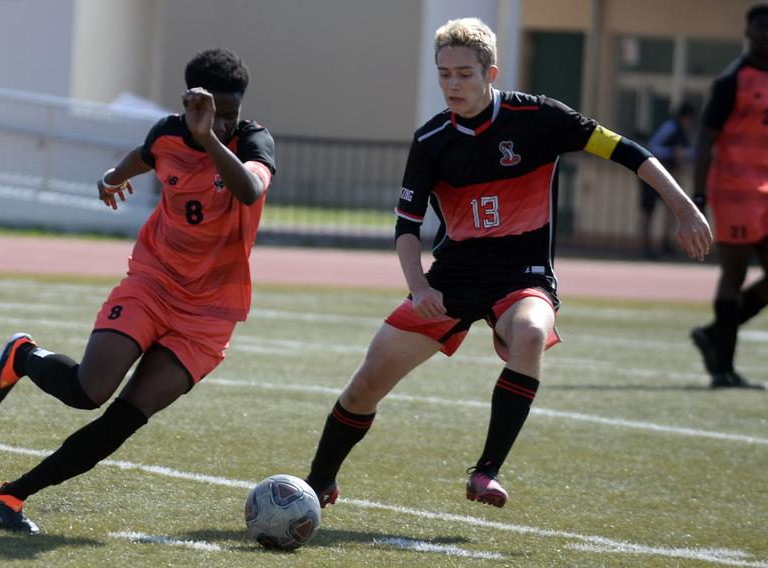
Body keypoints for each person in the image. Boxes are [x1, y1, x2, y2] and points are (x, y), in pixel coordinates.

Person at [302, 18, 712, 510]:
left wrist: (685, 208)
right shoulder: (432, 140)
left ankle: (486, 472)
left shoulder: (539, 117)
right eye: (444, 74)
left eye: (464, 74)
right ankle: (317, 481)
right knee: (368, 382)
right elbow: (406, 228)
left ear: (490, 72)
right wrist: (418, 288)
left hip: (524, 276)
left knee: (531, 333)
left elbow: (626, 151)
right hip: (452, 279)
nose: (452, 85)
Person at [0, 47, 276, 533]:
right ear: (190, 102)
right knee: (89, 392)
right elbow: (146, 156)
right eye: (213, 115)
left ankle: (11, 495)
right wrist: (111, 177)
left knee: (125, 420)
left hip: (210, 314)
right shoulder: (168, 134)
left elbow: (250, 191)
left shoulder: (253, 140)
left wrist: (211, 138)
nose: (223, 126)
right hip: (153, 283)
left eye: (229, 115)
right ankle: (22, 357)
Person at [690, 4, 768, 390]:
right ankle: (724, 367)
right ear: (748, 33)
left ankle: (713, 334)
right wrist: (698, 195)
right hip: (735, 189)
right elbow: (705, 139)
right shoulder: (731, 81)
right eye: (760, 29)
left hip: (767, 188)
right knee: (734, 275)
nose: (766, 35)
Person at [638, 102, 697, 258]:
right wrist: (671, 152)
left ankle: (666, 242)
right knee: (648, 210)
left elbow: (686, 152)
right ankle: (646, 245)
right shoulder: (670, 127)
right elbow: (651, 146)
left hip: (668, 175)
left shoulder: (684, 131)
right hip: (651, 174)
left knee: (671, 208)